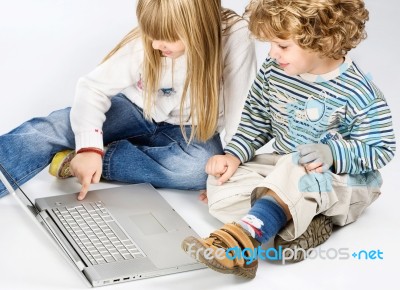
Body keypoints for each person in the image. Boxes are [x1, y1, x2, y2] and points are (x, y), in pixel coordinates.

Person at [182, 0, 396, 279]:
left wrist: (331, 153)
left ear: (323, 39)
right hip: (284, 168)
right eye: (270, 44)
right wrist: (233, 156)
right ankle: (299, 222)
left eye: (282, 46)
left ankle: (243, 242)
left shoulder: (359, 92)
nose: (272, 53)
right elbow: (256, 120)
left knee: (298, 166)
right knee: (219, 186)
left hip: (341, 180)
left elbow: (381, 149)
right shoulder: (274, 72)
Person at [0, 0, 256, 200]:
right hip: (136, 109)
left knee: (197, 170)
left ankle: (87, 159)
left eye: (167, 38)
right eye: (152, 36)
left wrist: (233, 167)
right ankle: (88, 150)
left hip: (192, 129)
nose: (156, 45)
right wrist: (89, 146)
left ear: (198, 29)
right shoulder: (148, 44)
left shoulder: (235, 36)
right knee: (55, 127)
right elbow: (93, 88)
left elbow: (241, 106)